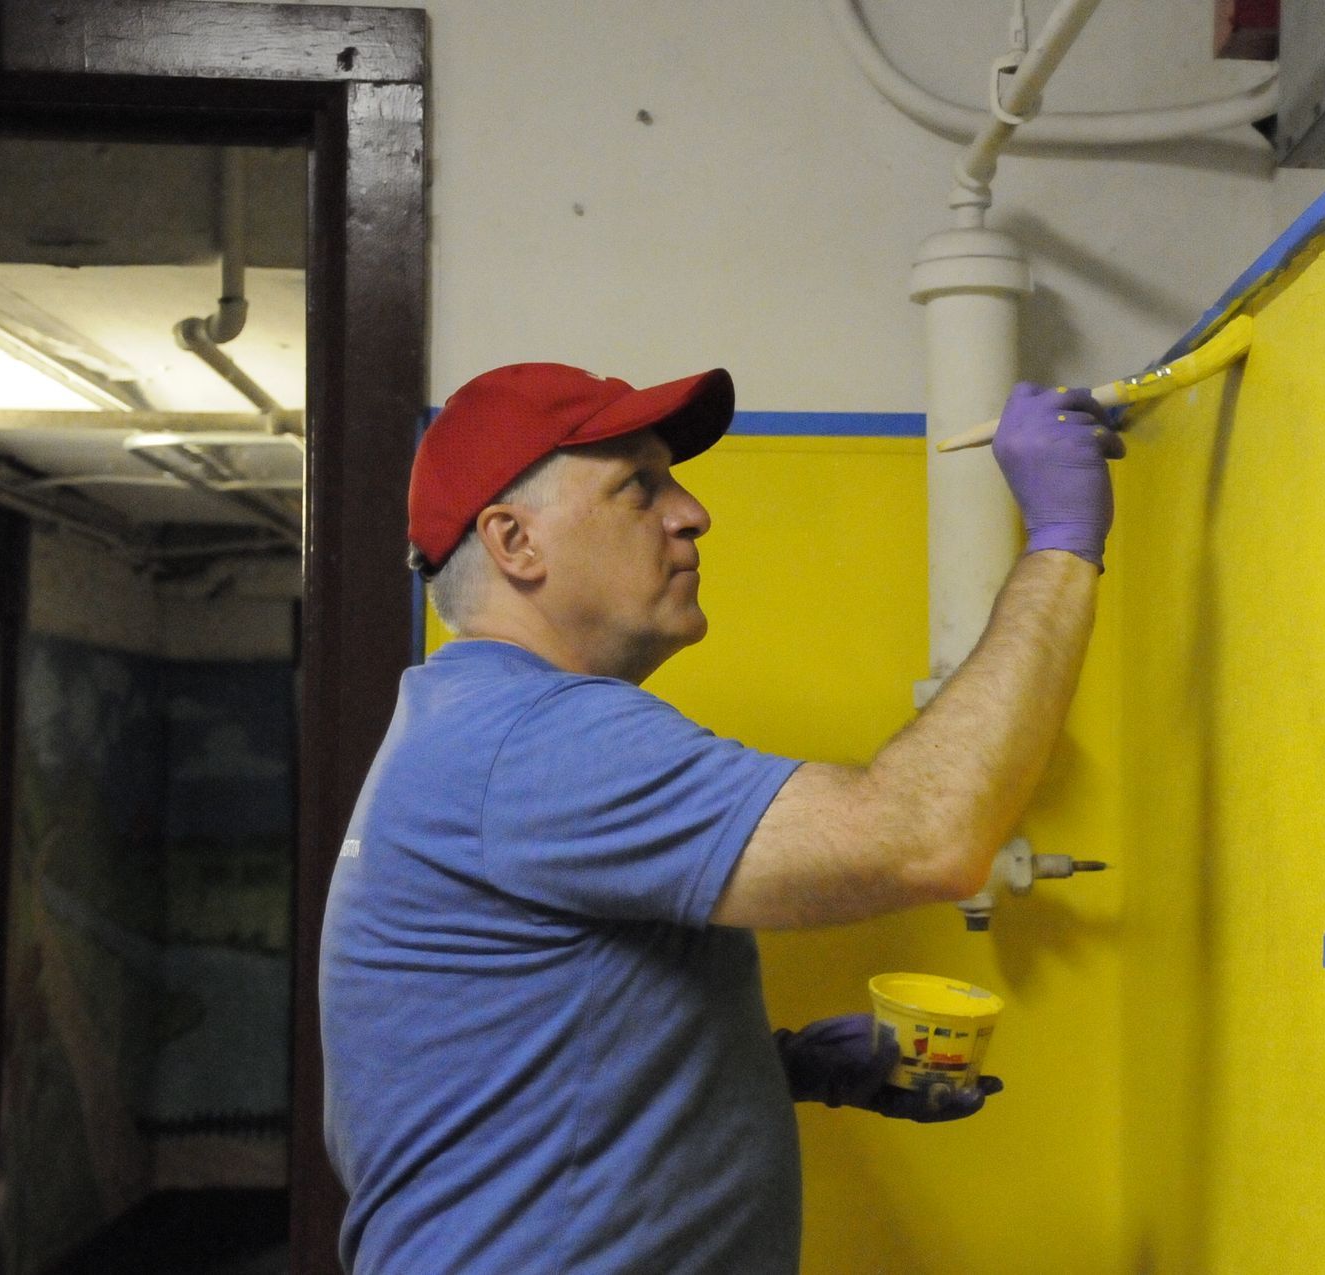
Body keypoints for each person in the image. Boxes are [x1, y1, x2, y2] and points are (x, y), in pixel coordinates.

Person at [320, 361, 1121, 1273]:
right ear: (516, 542)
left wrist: (779, 1066)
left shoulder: (468, 728)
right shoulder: (534, 740)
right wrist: (1060, 542)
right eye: (640, 486)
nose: (692, 511)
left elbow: (494, 1069)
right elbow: (928, 835)